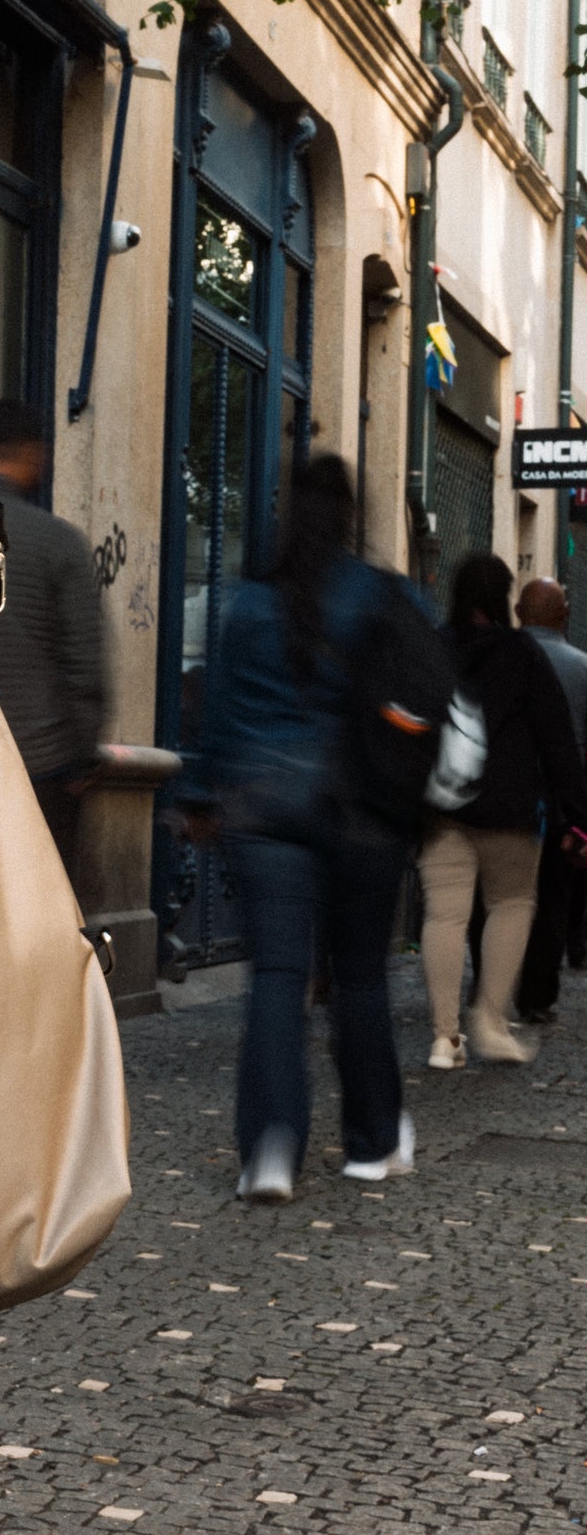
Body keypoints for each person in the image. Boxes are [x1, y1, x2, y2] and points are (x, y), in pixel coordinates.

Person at [175, 455, 413, 1200]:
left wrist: (201, 795)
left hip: (264, 807)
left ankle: (271, 1150)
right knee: (360, 977)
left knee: (277, 978)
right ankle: (372, 1144)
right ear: (350, 516)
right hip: (359, 810)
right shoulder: (380, 597)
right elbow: (421, 694)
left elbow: (214, 711)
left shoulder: (248, 604)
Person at [420, 552, 587, 1065]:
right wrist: (575, 815)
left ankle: (444, 1037)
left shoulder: (432, 649)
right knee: (512, 905)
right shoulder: (522, 654)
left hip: (443, 806)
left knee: (444, 915)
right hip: (511, 811)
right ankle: (491, 1019)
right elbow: (557, 738)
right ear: (503, 601)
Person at [0, 396, 106, 887]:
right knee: (39, 911)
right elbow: (84, 669)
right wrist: (82, 756)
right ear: (35, 456)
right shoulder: (58, 544)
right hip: (41, 768)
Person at [512, 576, 587, 1022]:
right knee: (554, 895)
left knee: (503, 895)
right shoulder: (581, 667)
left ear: (519, 613)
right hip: (564, 798)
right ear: (564, 616)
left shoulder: (502, 658)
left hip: (508, 795)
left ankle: (497, 978)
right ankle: (539, 993)